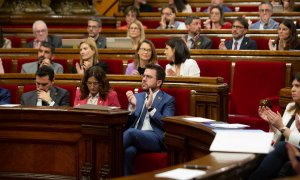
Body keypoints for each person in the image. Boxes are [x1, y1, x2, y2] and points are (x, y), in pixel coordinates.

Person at [124, 64, 175, 175]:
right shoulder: (137, 96)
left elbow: (167, 125)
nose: (144, 79)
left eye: (149, 77)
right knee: (129, 151)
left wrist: (151, 109)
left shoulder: (168, 100)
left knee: (132, 133)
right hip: (135, 136)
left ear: (158, 82)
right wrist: (131, 109)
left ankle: (106, 151)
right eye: (143, 76)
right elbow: (126, 125)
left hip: (154, 138)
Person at [248, 73, 300, 179]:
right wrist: (271, 123)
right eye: (292, 86)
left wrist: (281, 127)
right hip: (284, 150)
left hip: (295, 151)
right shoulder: (290, 107)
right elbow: (279, 137)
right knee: (262, 144)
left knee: (282, 146)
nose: (293, 89)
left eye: (298, 86)